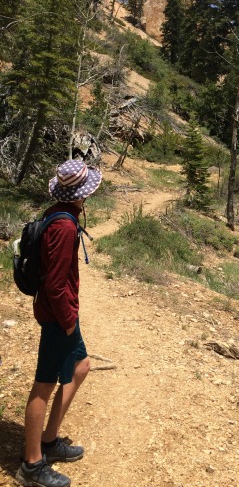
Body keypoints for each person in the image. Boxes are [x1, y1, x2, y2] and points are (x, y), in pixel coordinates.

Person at [16, 160, 102, 487]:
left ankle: (49, 441)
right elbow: (54, 284)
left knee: (81, 366)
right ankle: (32, 465)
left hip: (61, 314)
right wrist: (68, 322)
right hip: (58, 317)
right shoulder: (64, 226)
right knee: (44, 385)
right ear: (82, 193)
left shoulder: (59, 213)